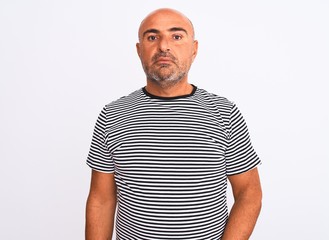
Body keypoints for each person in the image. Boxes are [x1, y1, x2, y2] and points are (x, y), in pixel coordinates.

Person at [85, 8, 262, 240]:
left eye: (176, 36)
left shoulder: (224, 113)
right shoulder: (113, 115)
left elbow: (249, 193)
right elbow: (101, 199)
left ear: (194, 49)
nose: (163, 46)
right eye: (152, 37)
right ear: (139, 51)